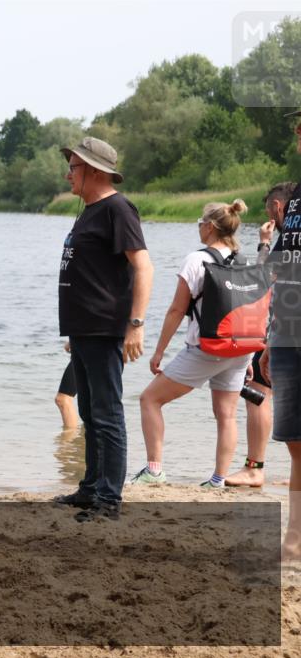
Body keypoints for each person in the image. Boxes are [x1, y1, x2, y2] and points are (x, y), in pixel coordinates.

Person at [53, 137, 154, 521]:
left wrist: (136, 324)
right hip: (84, 328)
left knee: (107, 412)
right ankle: (91, 488)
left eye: (73, 167)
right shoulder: (90, 210)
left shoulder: (118, 208)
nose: (68, 174)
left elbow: (144, 266)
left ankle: (109, 499)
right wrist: (75, 329)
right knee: (89, 411)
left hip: (106, 327)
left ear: (95, 171)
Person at [133, 200, 253, 488]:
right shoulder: (244, 260)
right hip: (241, 348)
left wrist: (159, 351)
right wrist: (250, 355)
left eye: (200, 222)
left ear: (210, 227)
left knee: (150, 399)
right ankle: (218, 480)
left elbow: (176, 310)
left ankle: (154, 470)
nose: (198, 227)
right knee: (226, 415)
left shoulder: (196, 260)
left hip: (207, 348)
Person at [225, 182, 295, 487]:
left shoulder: (285, 237)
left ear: (278, 208)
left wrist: (264, 242)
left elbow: (264, 277)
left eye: (270, 212)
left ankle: (255, 467)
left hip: (280, 326)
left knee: (257, 391)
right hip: (282, 325)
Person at [259, 110, 301, 562]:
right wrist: (272, 337)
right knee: (294, 441)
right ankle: (294, 539)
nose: (298, 133)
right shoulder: (296, 200)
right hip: (288, 333)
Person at [55, 344, 79, 430]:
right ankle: (79, 440)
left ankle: (69, 440)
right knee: (92, 402)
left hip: (90, 346)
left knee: (63, 399)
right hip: (89, 343)